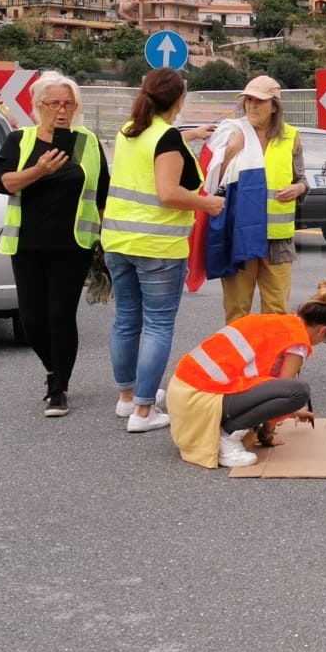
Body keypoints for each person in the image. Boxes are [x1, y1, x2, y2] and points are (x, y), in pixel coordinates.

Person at [100, 67, 224, 434]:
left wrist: (192, 134)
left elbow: (159, 143)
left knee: (126, 320)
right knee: (157, 324)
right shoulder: (167, 138)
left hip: (118, 241)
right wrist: (208, 204)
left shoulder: (129, 130)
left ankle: (127, 399)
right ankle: (144, 411)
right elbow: (168, 193)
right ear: (180, 99)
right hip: (157, 245)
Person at [0, 71, 106, 418]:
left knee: (60, 315)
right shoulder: (19, 140)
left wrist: (107, 240)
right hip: (27, 244)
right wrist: (39, 170)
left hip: (73, 244)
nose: (62, 110)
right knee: (31, 320)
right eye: (54, 103)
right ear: (38, 106)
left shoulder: (87, 142)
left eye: (68, 104)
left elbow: (103, 195)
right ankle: (52, 370)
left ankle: (59, 388)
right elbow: (4, 183)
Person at [167, 281, 326, 469]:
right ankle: (227, 437)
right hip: (200, 400)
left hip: (184, 393)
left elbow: (264, 385)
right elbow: (285, 388)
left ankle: (227, 431)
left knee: (291, 392)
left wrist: (290, 412)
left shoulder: (279, 323)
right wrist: (268, 433)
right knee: (299, 392)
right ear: (323, 330)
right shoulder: (298, 342)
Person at [203, 74, 307, 322]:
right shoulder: (233, 133)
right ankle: (240, 361)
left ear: (274, 106)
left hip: (278, 240)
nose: (251, 106)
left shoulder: (292, 137)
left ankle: (271, 362)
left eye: (259, 101)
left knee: (276, 312)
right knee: (237, 311)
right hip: (241, 236)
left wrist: (299, 188)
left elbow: (302, 179)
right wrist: (230, 150)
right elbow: (211, 181)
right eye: (248, 100)